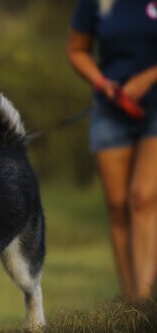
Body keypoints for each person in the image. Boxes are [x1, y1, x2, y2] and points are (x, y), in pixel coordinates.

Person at [67, 0, 157, 301]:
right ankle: (131, 300)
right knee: (118, 207)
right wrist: (103, 84)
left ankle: (144, 302)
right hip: (111, 108)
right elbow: (77, 50)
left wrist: (148, 76)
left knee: (143, 197)